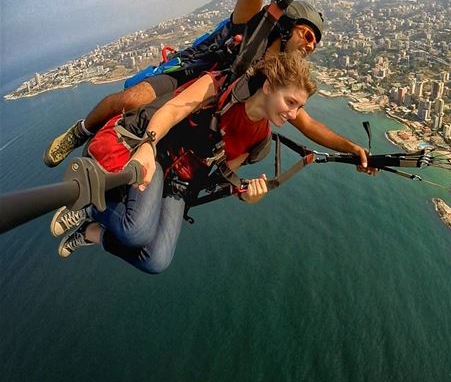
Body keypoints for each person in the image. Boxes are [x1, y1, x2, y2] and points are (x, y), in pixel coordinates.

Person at [44, 0, 374, 174]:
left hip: (216, 102)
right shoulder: (252, 28)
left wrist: (352, 147)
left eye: (316, 43)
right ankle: (82, 130)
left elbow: (308, 123)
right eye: (308, 34)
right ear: (286, 28)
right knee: (131, 100)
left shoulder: (281, 76)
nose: (311, 45)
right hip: (193, 73)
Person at [51, 52, 316, 275]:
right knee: (135, 232)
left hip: (182, 184)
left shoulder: (260, 138)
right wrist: (148, 145)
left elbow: (226, 173)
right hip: (160, 157)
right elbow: (173, 109)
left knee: (156, 260)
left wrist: (247, 196)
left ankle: (92, 233)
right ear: (268, 87)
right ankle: (89, 208)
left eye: (299, 107)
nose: (293, 114)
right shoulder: (221, 86)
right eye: (290, 102)